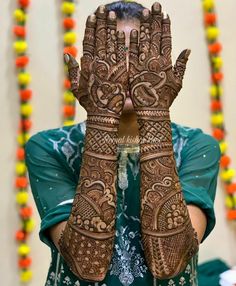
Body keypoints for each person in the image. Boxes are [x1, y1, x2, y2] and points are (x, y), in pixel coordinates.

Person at [25, 1, 221, 286]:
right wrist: (102, 117)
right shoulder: (51, 147)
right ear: (90, 65)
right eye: (114, 55)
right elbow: (86, 263)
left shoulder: (196, 146)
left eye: (140, 55)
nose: (127, 70)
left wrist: (154, 113)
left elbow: (170, 260)